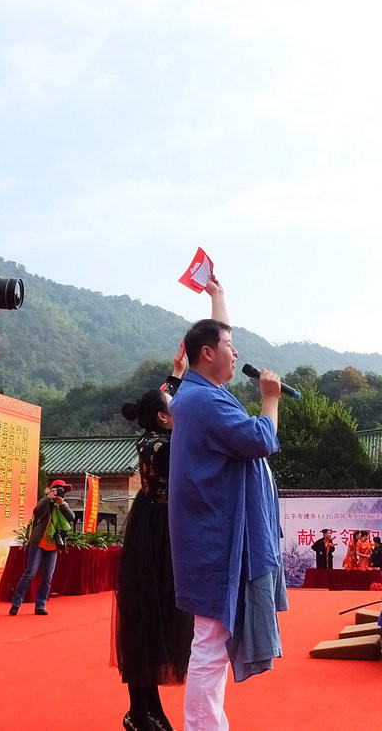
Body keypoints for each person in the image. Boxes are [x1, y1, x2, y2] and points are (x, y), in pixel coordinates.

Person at [169, 312, 286, 731]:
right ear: (208, 352)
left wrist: (217, 296)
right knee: (210, 644)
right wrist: (270, 399)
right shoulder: (204, 399)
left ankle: (209, 725)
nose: (236, 353)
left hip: (212, 533)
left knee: (212, 642)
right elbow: (260, 439)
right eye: (230, 346)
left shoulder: (198, 394)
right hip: (216, 537)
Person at [114, 385, 194, 731]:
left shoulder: (153, 438)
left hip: (151, 528)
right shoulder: (168, 445)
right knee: (150, 621)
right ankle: (139, 712)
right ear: (163, 417)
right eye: (173, 405)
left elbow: (167, 405)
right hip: (159, 535)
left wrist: (175, 378)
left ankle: (146, 710)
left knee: (147, 621)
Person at [10, 480, 76, 615]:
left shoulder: (63, 505)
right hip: (38, 543)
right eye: (59, 490)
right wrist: (48, 499)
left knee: (47, 578)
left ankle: (40, 605)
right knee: (30, 574)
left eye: (64, 491)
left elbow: (71, 517)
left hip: (53, 546)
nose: (61, 493)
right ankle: (16, 603)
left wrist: (62, 504)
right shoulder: (45, 503)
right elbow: (36, 511)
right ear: (52, 490)